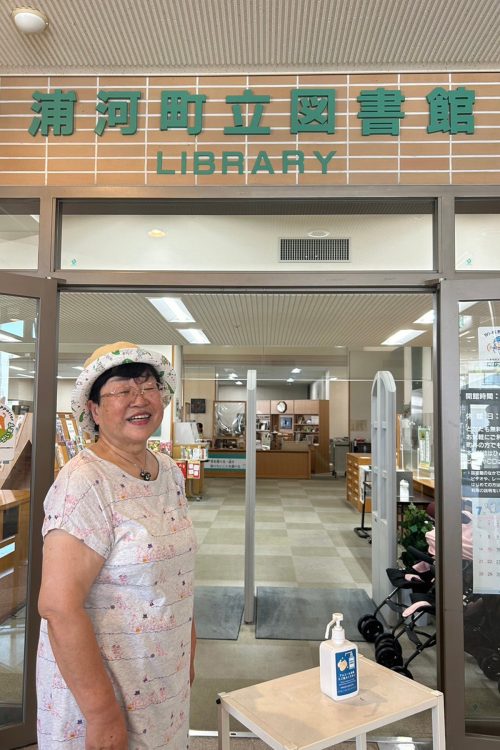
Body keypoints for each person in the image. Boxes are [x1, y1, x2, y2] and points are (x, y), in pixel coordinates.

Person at [36, 342, 197, 750]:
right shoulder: (84, 483)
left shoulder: (167, 472)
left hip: (161, 679)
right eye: (122, 390)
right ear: (93, 410)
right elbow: (58, 606)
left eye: (148, 386)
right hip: (104, 696)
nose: (139, 399)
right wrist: (102, 714)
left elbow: (174, 577)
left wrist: (187, 654)